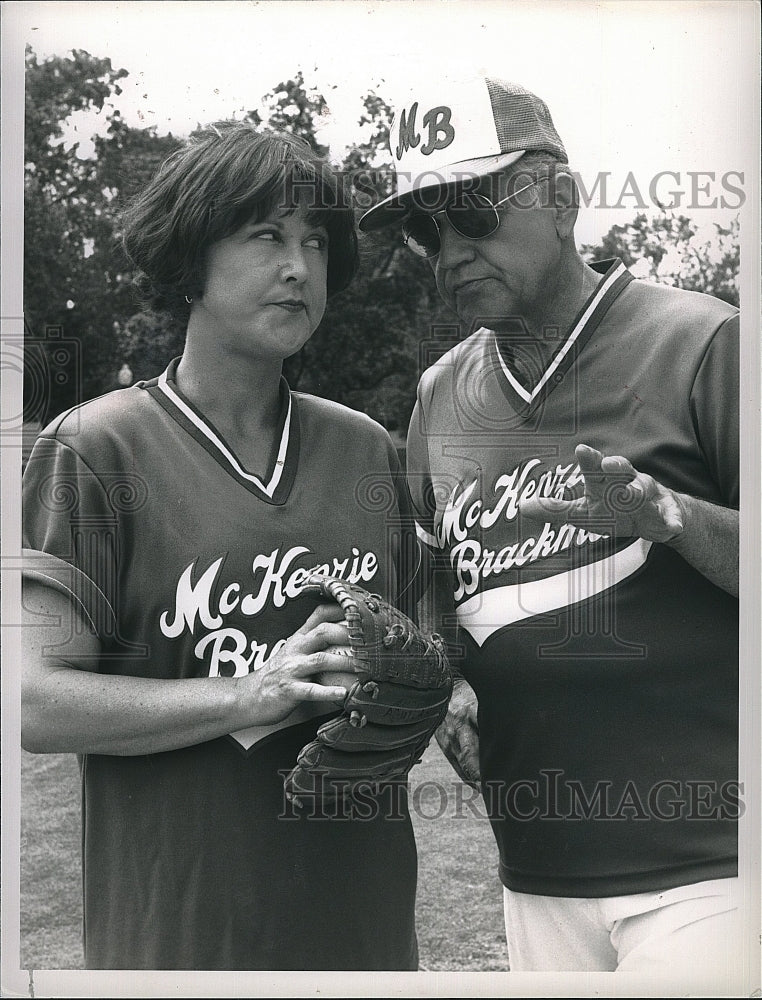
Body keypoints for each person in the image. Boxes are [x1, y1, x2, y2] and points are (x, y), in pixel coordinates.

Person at [359, 75, 740, 979]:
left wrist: (674, 517)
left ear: (561, 198)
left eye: (473, 212)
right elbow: (436, 593)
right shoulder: (439, 396)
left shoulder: (703, 344)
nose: (450, 250)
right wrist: (442, 679)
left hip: (712, 864)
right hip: (534, 869)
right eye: (427, 230)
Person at [21, 121, 420, 971]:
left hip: (364, 932)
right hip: (176, 939)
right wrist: (252, 692)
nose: (299, 267)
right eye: (267, 235)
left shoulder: (368, 451)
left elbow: (430, 657)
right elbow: (35, 702)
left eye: (316, 243)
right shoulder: (94, 449)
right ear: (190, 259)